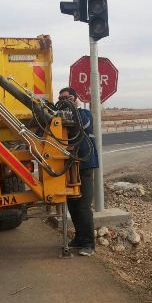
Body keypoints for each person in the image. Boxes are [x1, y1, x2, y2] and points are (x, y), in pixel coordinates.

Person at [58, 87, 99, 256]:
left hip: (84, 165)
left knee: (83, 206)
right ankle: (79, 238)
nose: (63, 101)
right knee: (73, 205)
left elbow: (82, 123)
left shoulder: (84, 114)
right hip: (69, 167)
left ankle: (89, 243)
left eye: (66, 98)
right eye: (60, 99)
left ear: (75, 98)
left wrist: (71, 108)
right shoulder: (61, 118)